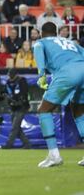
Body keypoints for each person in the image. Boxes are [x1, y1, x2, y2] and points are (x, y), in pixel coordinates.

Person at [33, 22, 84, 168]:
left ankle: (54, 156)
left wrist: (41, 74)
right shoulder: (69, 42)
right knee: (79, 112)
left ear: (42, 33)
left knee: (44, 110)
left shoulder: (41, 42)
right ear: (55, 32)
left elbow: (37, 48)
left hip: (68, 72)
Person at [1, 69, 31, 149]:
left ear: (15, 75)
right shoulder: (8, 82)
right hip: (13, 107)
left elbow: (24, 92)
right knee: (17, 127)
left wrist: (19, 101)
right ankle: (27, 144)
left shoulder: (21, 80)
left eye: (11, 75)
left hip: (22, 107)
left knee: (15, 126)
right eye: (9, 75)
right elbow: (5, 92)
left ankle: (8, 145)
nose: (10, 77)